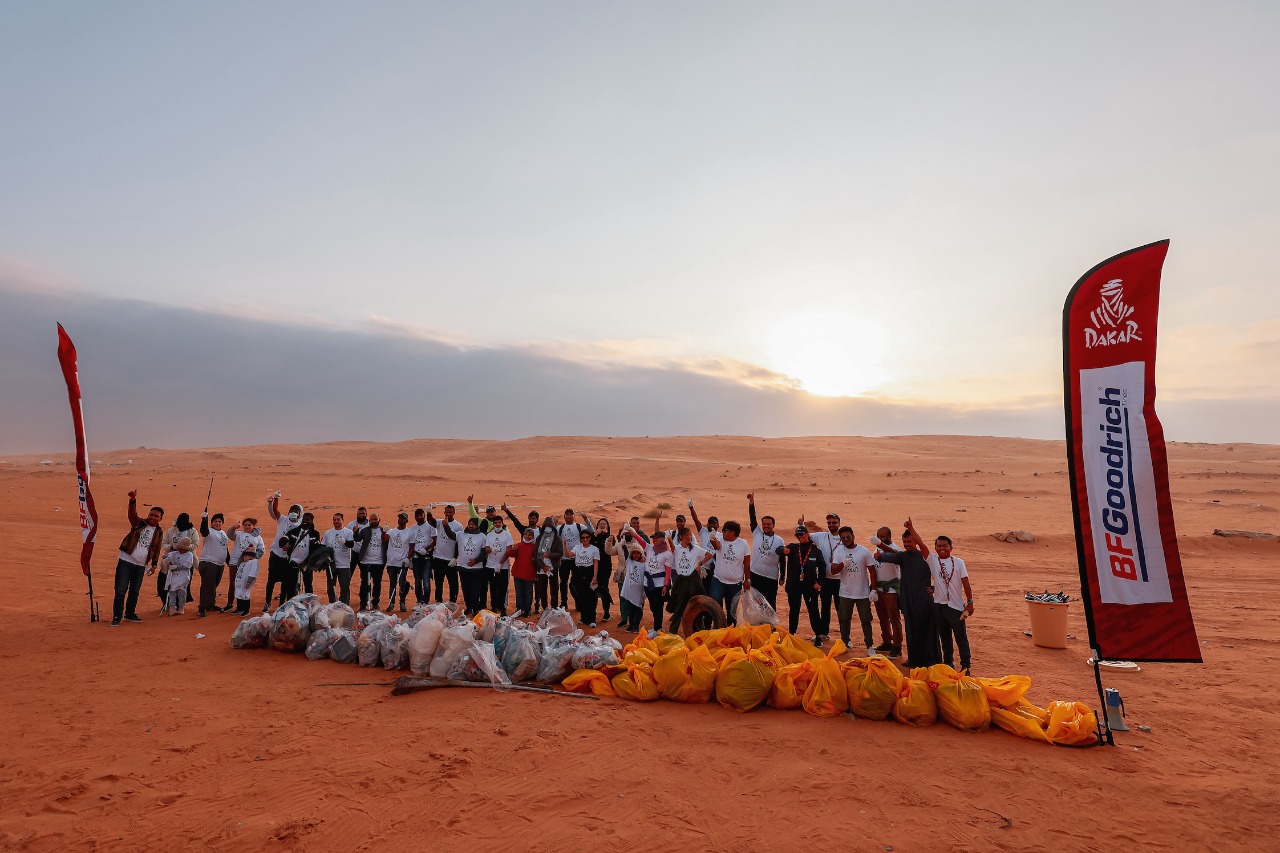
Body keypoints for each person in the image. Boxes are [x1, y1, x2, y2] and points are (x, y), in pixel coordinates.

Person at [875, 518, 942, 668]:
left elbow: (942, 576)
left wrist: (935, 588)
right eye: (904, 542)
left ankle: (933, 661)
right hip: (908, 600)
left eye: (909, 542)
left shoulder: (925, 556)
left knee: (928, 631)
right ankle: (914, 660)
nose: (906, 545)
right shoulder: (903, 556)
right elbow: (888, 556)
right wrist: (879, 555)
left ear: (915, 542)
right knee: (911, 631)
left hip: (924, 600)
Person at [111, 491, 164, 626]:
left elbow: (157, 549)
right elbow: (132, 514)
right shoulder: (139, 523)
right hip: (126, 562)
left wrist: (154, 564)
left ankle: (129, 614)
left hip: (141, 566)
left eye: (156, 516)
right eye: (151, 514)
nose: (152, 517)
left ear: (160, 519)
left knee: (135, 591)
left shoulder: (158, 532)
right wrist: (133, 500)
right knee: (120, 590)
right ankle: (117, 616)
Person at [927, 533, 975, 673]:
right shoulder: (933, 560)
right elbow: (921, 545)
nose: (942, 548)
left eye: (945, 545)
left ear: (951, 548)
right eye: (939, 545)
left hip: (956, 607)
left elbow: (965, 583)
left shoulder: (959, 562)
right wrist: (911, 528)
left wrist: (970, 602)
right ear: (935, 548)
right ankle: (948, 664)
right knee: (945, 638)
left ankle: (966, 667)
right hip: (939, 606)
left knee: (961, 639)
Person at [830, 526, 879, 657]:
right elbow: (834, 570)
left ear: (853, 536)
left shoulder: (864, 551)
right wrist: (842, 565)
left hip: (862, 592)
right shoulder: (839, 552)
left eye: (848, 537)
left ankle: (869, 645)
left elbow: (872, 571)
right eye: (843, 538)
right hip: (845, 592)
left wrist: (874, 589)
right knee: (844, 618)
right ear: (841, 539)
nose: (846, 539)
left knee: (865, 619)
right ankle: (845, 641)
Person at [780, 525, 825, 643]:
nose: (799, 537)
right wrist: (782, 550)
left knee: (813, 610)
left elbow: (822, 568)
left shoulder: (815, 550)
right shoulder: (793, 548)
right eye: (797, 535)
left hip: (810, 586)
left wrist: (820, 582)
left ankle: (818, 636)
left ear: (807, 534)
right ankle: (792, 634)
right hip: (794, 586)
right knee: (794, 610)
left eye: (801, 534)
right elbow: (778, 551)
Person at [264, 492, 303, 612]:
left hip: (289, 557)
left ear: (299, 514)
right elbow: (275, 510)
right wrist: (276, 498)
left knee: (286, 582)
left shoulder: (301, 526)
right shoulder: (282, 520)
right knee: (271, 580)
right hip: (276, 554)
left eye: (296, 512)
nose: (293, 513)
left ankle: (282, 604)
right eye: (291, 510)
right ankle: (267, 603)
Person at [746, 493, 785, 609]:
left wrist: (782, 576)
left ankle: (770, 625)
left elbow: (782, 559)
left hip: (771, 577)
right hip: (755, 574)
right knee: (754, 601)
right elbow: (752, 518)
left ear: (773, 525)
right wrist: (751, 503)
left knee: (770, 602)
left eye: (769, 524)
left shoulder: (779, 540)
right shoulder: (757, 533)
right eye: (764, 524)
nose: (766, 526)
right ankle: (756, 624)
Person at [444, 516, 490, 615]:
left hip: (476, 568)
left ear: (476, 525)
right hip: (463, 567)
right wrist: (445, 525)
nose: (470, 526)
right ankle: (468, 607)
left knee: (475, 589)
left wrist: (476, 561)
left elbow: (483, 552)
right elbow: (451, 535)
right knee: (466, 589)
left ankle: (475, 608)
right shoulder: (461, 534)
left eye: (473, 524)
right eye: (469, 524)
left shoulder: (482, 536)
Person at [869, 526, 903, 657]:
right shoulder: (876, 549)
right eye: (878, 537)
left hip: (891, 590)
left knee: (894, 619)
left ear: (889, 537)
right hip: (879, 588)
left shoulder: (896, 549)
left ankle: (897, 646)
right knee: (883, 618)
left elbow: (894, 554)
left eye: (882, 537)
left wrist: (880, 544)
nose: (879, 539)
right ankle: (887, 642)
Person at [668, 526, 710, 633]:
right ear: (681, 537)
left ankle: (699, 629)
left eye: (690, 535)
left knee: (696, 604)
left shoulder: (695, 548)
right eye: (686, 535)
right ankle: (673, 631)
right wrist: (668, 538)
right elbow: (672, 548)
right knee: (679, 606)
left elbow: (710, 554)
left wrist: (700, 564)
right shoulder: (677, 548)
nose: (689, 537)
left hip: (693, 580)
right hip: (681, 580)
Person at [708, 520, 751, 622]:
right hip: (718, 581)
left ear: (732, 532)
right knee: (713, 603)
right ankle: (715, 626)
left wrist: (747, 580)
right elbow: (716, 546)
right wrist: (712, 538)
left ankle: (730, 631)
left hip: (735, 584)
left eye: (725, 530)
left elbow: (747, 563)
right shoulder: (721, 540)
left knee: (732, 610)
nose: (723, 532)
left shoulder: (743, 544)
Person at [159, 512, 200, 607]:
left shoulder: (192, 531)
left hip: (186, 561)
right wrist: (172, 547)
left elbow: (195, 545)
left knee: (183, 585)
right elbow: (164, 544)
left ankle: (179, 605)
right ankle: (167, 602)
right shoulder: (171, 531)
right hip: (171, 561)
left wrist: (184, 547)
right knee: (165, 582)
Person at [426, 505, 463, 604]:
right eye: (447, 512)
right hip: (438, 558)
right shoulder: (439, 522)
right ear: (444, 512)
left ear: (454, 513)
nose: (448, 514)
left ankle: (452, 601)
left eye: (450, 512)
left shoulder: (458, 526)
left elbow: (459, 542)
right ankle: (438, 601)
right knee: (438, 582)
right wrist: (429, 513)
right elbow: (431, 522)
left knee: (453, 583)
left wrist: (455, 558)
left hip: (450, 559)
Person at [556, 509, 591, 610]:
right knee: (563, 582)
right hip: (564, 559)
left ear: (573, 516)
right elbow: (552, 535)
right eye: (567, 515)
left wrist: (586, 519)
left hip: (577, 560)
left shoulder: (579, 527)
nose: (569, 516)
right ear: (564, 516)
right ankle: (563, 603)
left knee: (577, 582)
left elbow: (591, 531)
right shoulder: (560, 528)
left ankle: (578, 603)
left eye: (571, 514)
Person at [196, 512, 229, 617]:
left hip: (219, 564)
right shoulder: (209, 531)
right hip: (209, 562)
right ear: (212, 522)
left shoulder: (223, 533)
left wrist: (229, 561)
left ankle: (210, 604)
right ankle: (202, 607)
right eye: (215, 521)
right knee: (207, 585)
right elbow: (203, 530)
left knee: (214, 585)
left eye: (220, 521)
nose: (218, 523)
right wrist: (204, 519)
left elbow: (225, 548)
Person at [353, 512, 387, 612]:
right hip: (365, 562)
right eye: (371, 520)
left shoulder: (383, 531)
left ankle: (375, 603)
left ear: (379, 520)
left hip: (379, 562)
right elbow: (357, 539)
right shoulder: (365, 530)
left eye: (375, 519)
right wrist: (355, 532)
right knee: (364, 583)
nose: (373, 521)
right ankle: (363, 604)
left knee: (377, 583)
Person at [230, 519, 265, 616]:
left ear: (253, 526)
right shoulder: (239, 534)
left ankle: (246, 610)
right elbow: (230, 535)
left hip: (247, 577)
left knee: (245, 594)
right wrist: (233, 528)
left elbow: (261, 550)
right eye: (245, 525)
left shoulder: (258, 538)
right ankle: (239, 608)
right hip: (239, 568)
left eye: (249, 525)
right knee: (239, 592)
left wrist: (253, 557)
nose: (247, 526)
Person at [567, 529, 601, 627]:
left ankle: (592, 619)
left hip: (589, 573)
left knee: (591, 597)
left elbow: (595, 563)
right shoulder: (577, 548)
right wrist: (564, 544)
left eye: (587, 537)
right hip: (578, 573)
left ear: (590, 538)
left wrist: (595, 576)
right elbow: (569, 555)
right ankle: (583, 618)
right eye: (583, 538)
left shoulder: (594, 549)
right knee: (580, 596)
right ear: (580, 539)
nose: (585, 539)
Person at [383, 512, 415, 612]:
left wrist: (408, 558)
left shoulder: (410, 533)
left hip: (402, 562)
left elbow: (412, 547)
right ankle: (391, 603)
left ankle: (402, 603)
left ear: (407, 520)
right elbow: (385, 539)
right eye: (400, 518)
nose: (401, 520)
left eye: (403, 518)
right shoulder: (392, 531)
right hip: (392, 562)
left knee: (402, 583)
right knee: (392, 583)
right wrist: (384, 531)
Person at [321, 512, 355, 605]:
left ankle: (344, 605)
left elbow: (351, 544)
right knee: (331, 587)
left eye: (338, 519)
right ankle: (332, 604)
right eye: (334, 520)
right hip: (331, 564)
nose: (336, 521)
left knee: (344, 587)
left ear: (342, 520)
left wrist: (345, 542)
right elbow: (323, 547)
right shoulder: (328, 533)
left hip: (344, 564)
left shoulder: (348, 532)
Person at [284, 512, 321, 595]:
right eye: (304, 519)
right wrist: (283, 543)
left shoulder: (315, 534)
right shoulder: (294, 531)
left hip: (307, 564)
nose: (305, 521)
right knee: (292, 585)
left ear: (311, 521)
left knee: (308, 584)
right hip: (293, 561)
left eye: (308, 520)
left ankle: (309, 604)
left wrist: (305, 562)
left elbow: (315, 550)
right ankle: (292, 604)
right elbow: (284, 539)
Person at [485, 513, 515, 615]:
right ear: (493, 524)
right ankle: (494, 606)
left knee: (503, 588)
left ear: (502, 523)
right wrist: (491, 549)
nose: (497, 524)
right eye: (495, 523)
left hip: (504, 566)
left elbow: (508, 551)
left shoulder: (507, 535)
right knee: (493, 587)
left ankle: (502, 607)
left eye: (499, 522)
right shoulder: (489, 535)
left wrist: (500, 564)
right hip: (490, 565)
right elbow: (486, 548)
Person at [532, 518, 562, 614]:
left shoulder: (557, 538)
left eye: (549, 526)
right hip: (542, 569)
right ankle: (545, 609)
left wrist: (550, 555)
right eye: (546, 527)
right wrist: (543, 566)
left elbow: (560, 553)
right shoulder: (540, 538)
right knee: (542, 589)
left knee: (554, 589)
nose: (547, 528)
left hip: (552, 567)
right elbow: (536, 554)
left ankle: (554, 609)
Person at [161, 537, 196, 615]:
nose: (180, 550)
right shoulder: (174, 553)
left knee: (182, 593)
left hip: (183, 577)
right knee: (172, 592)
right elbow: (166, 556)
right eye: (179, 548)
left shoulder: (189, 555)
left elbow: (188, 566)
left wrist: (176, 567)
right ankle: (172, 608)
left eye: (182, 548)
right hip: (173, 577)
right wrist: (166, 557)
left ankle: (181, 607)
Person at [408, 508, 436, 606]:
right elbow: (410, 544)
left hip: (427, 558)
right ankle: (419, 600)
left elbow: (435, 540)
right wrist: (410, 558)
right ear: (415, 517)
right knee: (417, 581)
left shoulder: (430, 527)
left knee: (426, 581)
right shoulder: (412, 529)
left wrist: (426, 549)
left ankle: (426, 601)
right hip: (416, 557)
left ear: (424, 516)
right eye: (417, 516)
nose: (419, 517)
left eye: (421, 515)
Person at [619, 541, 647, 633]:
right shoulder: (629, 561)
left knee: (638, 609)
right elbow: (625, 550)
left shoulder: (644, 564)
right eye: (634, 553)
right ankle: (631, 625)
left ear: (641, 554)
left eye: (637, 553)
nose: (635, 555)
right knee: (630, 609)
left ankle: (636, 626)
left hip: (639, 590)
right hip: (629, 590)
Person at [511, 525, 538, 617]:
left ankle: (527, 610)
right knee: (519, 592)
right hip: (518, 573)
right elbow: (510, 554)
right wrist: (512, 549)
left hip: (529, 574)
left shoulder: (535, 546)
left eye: (530, 535)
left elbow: (537, 560)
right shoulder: (518, 545)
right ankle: (519, 609)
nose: (527, 536)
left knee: (528, 593)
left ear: (533, 537)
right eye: (526, 534)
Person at [592, 518, 616, 622]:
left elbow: (612, 545)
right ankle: (593, 612)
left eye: (604, 524)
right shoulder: (593, 536)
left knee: (603, 587)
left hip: (605, 567)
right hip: (593, 566)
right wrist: (595, 535)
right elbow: (589, 544)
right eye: (600, 524)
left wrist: (606, 535)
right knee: (593, 588)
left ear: (607, 526)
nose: (602, 525)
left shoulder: (610, 537)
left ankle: (606, 612)